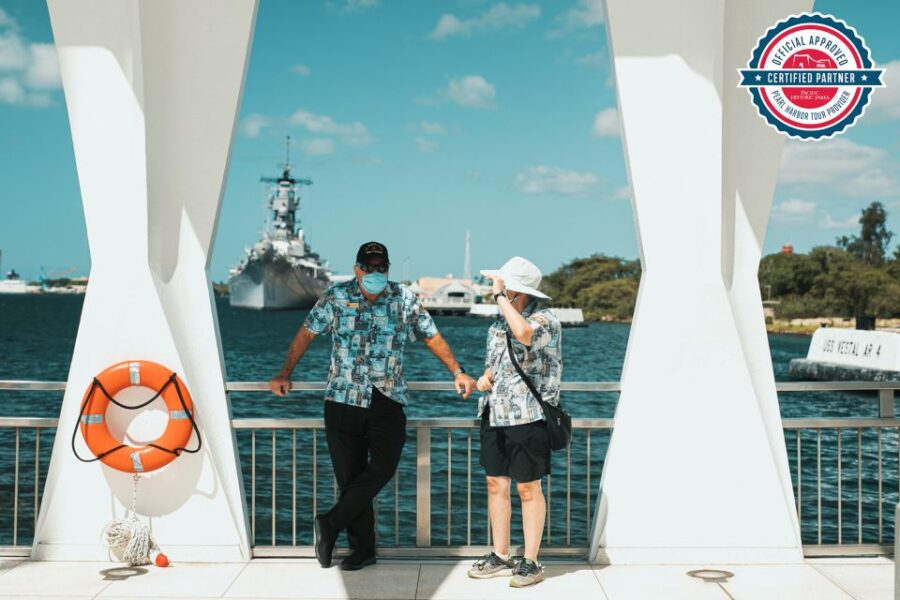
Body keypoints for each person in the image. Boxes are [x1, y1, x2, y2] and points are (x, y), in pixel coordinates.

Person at [270, 241, 476, 571]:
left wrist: (457, 370)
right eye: (369, 267)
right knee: (351, 479)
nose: (375, 273)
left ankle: (331, 522)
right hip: (342, 399)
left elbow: (431, 335)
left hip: (387, 399)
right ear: (357, 269)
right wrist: (285, 372)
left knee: (384, 467)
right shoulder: (336, 297)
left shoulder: (404, 298)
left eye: (382, 267)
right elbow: (306, 333)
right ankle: (363, 550)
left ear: (388, 269)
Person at [467, 257, 562, 588]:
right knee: (496, 483)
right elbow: (496, 365)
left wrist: (500, 297)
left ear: (513, 289)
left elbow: (523, 334)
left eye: (502, 285)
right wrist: (483, 378)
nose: (496, 289)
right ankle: (501, 553)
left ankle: (532, 562)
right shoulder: (496, 324)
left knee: (527, 487)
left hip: (529, 416)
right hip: (494, 413)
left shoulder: (545, 321)